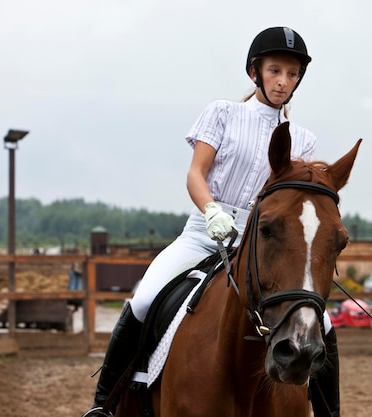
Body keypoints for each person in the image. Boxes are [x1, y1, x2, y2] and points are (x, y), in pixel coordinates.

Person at [83, 26, 340, 417]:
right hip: (205, 232)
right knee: (145, 299)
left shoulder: (302, 139)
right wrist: (211, 211)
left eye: (291, 74)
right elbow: (195, 174)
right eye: (275, 71)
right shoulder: (223, 113)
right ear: (255, 72)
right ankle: (104, 404)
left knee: (322, 321)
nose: (283, 81)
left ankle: (328, 413)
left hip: (262, 242)